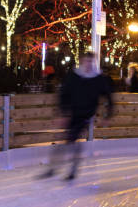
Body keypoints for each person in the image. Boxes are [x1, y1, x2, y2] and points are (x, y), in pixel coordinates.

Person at [39, 52, 113, 180]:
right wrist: (62, 114)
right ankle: (58, 168)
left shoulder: (98, 79)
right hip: (72, 113)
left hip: (86, 115)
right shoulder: (73, 76)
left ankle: (62, 169)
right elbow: (63, 94)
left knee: (71, 138)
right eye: (86, 61)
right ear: (81, 62)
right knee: (69, 139)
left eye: (91, 62)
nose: (88, 64)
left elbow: (109, 97)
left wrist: (107, 116)